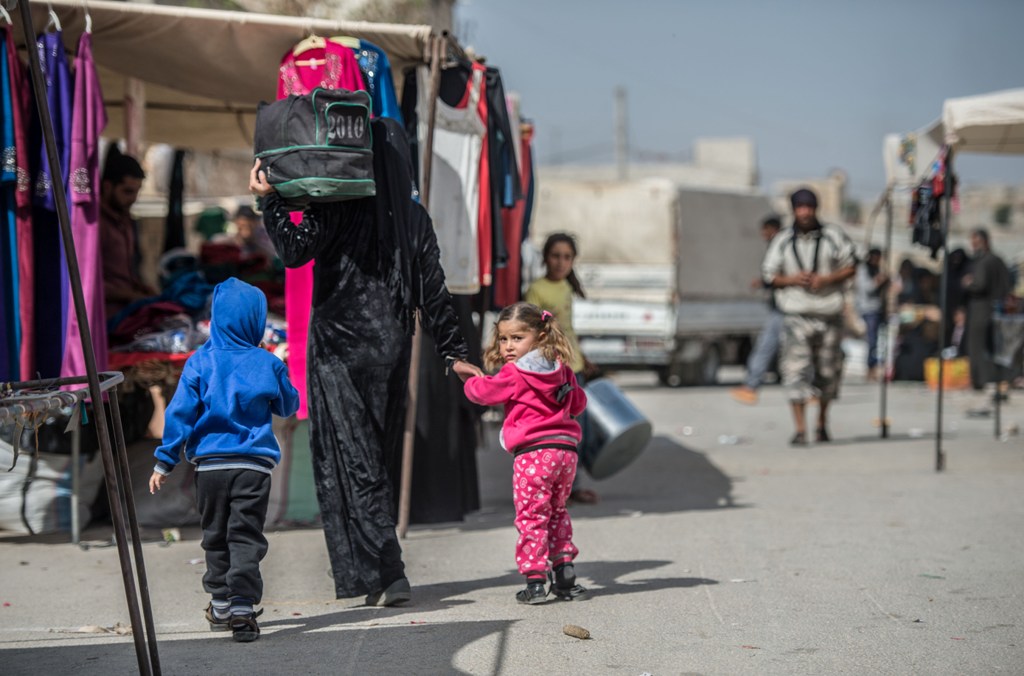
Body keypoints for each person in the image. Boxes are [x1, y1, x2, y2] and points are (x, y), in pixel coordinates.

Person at [251, 117, 482, 607]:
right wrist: (455, 352)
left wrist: (269, 201)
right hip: (392, 349)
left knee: (353, 462)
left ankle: (387, 572)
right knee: (373, 457)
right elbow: (435, 291)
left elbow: (293, 251)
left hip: (340, 352)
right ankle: (370, 568)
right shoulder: (414, 216)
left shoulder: (338, 205)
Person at [148, 278, 300, 643]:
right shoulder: (267, 362)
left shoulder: (199, 362)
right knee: (245, 536)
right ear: (256, 321)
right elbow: (287, 406)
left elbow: (179, 415)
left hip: (210, 469)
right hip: (253, 469)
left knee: (215, 535)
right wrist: (279, 367)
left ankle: (219, 605)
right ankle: (242, 609)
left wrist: (164, 461)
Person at [464, 302, 588, 605]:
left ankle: (535, 581)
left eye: (517, 338)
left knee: (532, 516)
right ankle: (564, 572)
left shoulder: (515, 373)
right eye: (503, 339)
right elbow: (579, 404)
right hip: (566, 453)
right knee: (557, 511)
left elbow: (483, 393)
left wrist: (469, 380)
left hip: (533, 455)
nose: (508, 346)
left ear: (540, 336)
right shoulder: (562, 369)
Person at [762, 187, 857, 445]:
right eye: (800, 208)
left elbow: (851, 266)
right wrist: (792, 280)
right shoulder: (783, 240)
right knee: (795, 372)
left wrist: (826, 279)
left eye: (808, 207)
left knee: (828, 372)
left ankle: (822, 423)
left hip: (829, 313)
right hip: (796, 315)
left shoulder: (833, 236)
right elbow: (769, 276)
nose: (804, 213)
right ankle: (800, 429)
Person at [525, 233, 599, 505]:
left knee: (579, 431)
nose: (560, 262)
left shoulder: (567, 287)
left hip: (574, 369)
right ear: (546, 258)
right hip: (553, 374)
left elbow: (568, 330)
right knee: (558, 434)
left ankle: (571, 485)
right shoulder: (537, 290)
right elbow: (530, 333)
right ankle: (556, 489)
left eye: (567, 257)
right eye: (555, 256)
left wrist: (583, 358)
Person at [731, 215, 783, 404]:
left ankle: (751, 385)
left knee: (766, 345)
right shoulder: (779, 246)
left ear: (773, 229)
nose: (763, 235)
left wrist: (766, 282)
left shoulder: (783, 246)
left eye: (765, 230)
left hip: (785, 306)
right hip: (780, 305)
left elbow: (781, 276)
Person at [99, 149, 156, 319]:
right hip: (104, 318)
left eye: (137, 192)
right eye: (128, 191)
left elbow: (121, 273)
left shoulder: (126, 222)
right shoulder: (95, 226)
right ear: (108, 186)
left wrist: (139, 287)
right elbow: (86, 280)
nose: (133, 199)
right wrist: (130, 294)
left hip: (127, 314)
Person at [962, 227, 1011, 404]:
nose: (973, 246)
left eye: (975, 243)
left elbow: (980, 285)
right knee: (994, 347)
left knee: (977, 346)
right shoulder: (998, 260)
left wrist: (969, 283)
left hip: (980, 309)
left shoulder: (984, 262)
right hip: (997, 310)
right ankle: (998, 379)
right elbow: (1007, 284)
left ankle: (980, 380)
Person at [854, 248, 889, 381]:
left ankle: (876, 367)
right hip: (867, 309)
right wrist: (878, 280)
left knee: (879, 340)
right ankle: (870, 367)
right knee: (871, 340)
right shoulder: (863, 270)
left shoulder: (877, 269)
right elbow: (867, 288)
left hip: (878, 309)